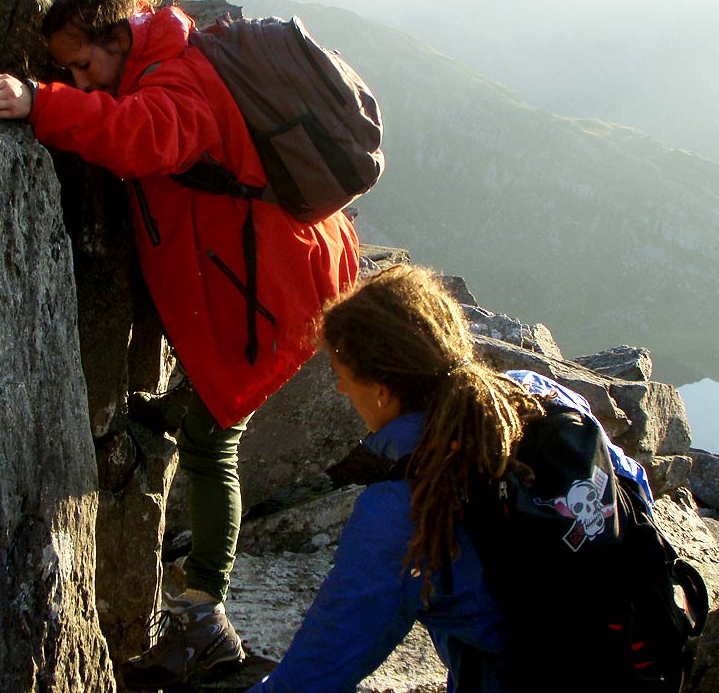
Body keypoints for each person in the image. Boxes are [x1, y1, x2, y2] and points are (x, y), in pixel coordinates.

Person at [0, 0, 361, 688]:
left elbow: (147, 138)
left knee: (213, 442)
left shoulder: (176, 79)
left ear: (120, 37)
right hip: (278, 271)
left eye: (83, 65)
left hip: (275, 293)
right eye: (64, 72)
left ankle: (203, 616)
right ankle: (200, 609)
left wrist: (40, 103)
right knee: (205, 430)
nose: (78, 79)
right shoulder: (164, 52)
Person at [246, 265, 652, 693]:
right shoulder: (537, 395)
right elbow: (633, 485)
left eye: (342, 377)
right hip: (635, 655)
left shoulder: (403, 512)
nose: (342, 391)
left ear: (382, 392)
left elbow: (316, 671)